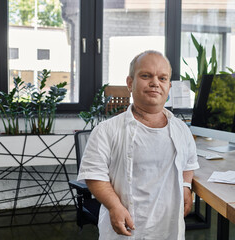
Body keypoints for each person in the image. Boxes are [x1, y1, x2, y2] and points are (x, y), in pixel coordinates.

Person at [77, 50, 199, 240]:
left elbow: (189, 163)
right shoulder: (107, 130)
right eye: (146, 75)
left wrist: (185, 185)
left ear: (168, 86)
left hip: (169, 230)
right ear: (130, 82)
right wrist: (114, 206)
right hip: (126, 229)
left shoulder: (181, 129)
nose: (155, 83)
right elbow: (94, 175)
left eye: (162, 78)